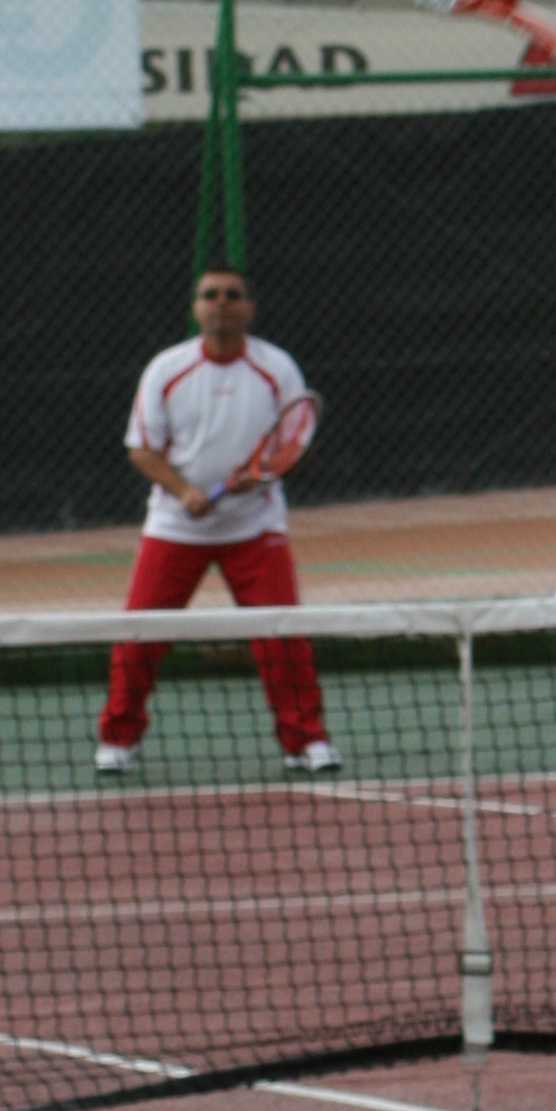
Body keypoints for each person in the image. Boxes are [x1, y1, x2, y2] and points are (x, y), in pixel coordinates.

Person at [96, 267, 340, 777]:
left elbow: (295, 443)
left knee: (282, 636)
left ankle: (306, 740)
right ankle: (117, 739)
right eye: (210, 295)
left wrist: (260, 476)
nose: (221, 303)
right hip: (174, 527)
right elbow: (141, 448)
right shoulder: (167, 369)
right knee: (139, 633)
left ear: (249, 308)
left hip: (255, 527)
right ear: (196, 308)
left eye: (232, 295)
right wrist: (184, 490)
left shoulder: (277, 368)